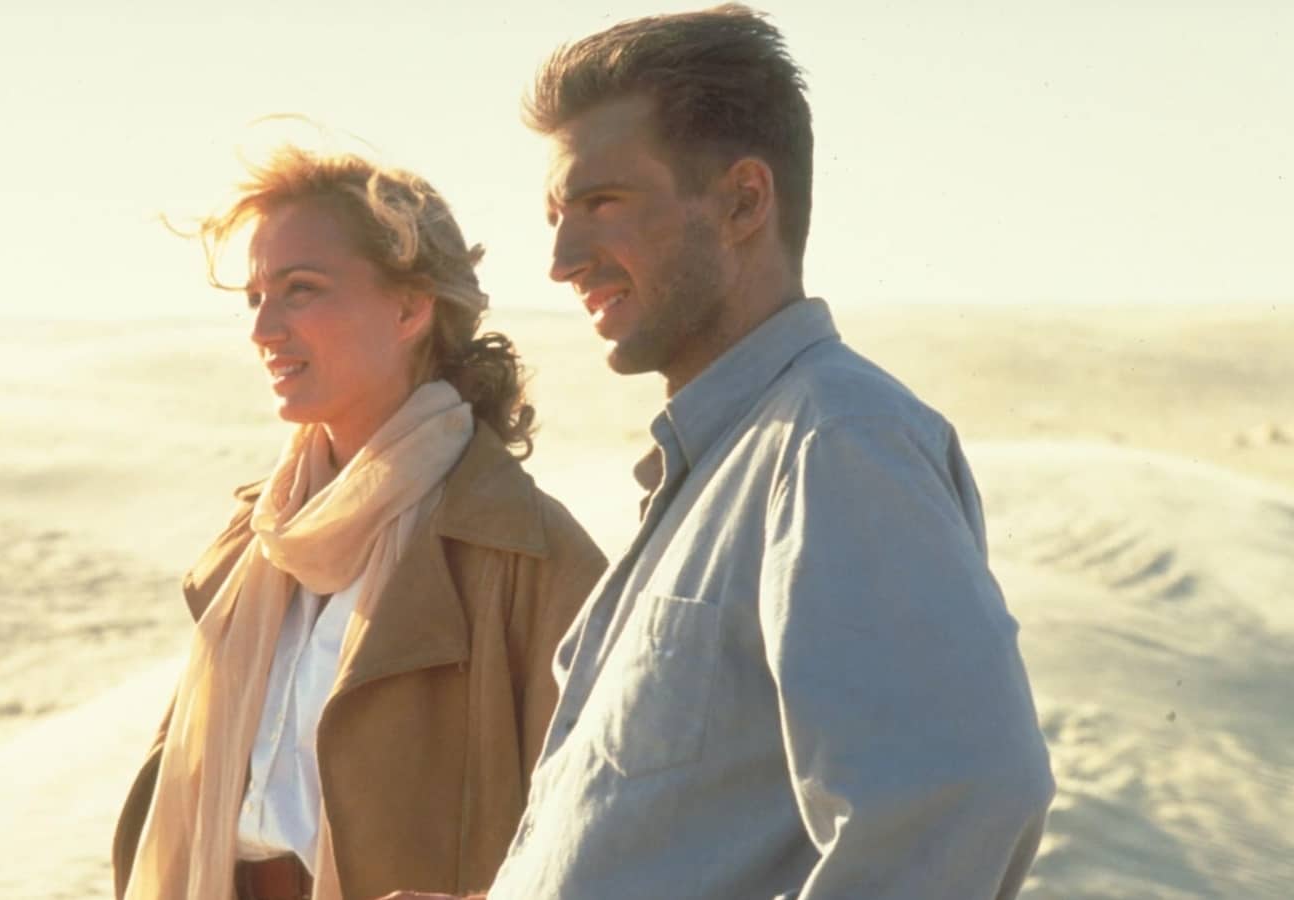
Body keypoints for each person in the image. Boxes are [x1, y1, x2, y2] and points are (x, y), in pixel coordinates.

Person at [382, 6, 1055, 900]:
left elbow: (955, 803)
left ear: (743, 201)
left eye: (601, 202)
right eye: (556, 212)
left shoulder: (835, 443)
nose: (561, 257)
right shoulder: (725, 467)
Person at [111, 146, 606, 900]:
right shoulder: (256, 541)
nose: (264, 330)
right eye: (255, 298)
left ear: (411, 308)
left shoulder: (531, 557)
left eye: (300, 291)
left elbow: (608, 835)